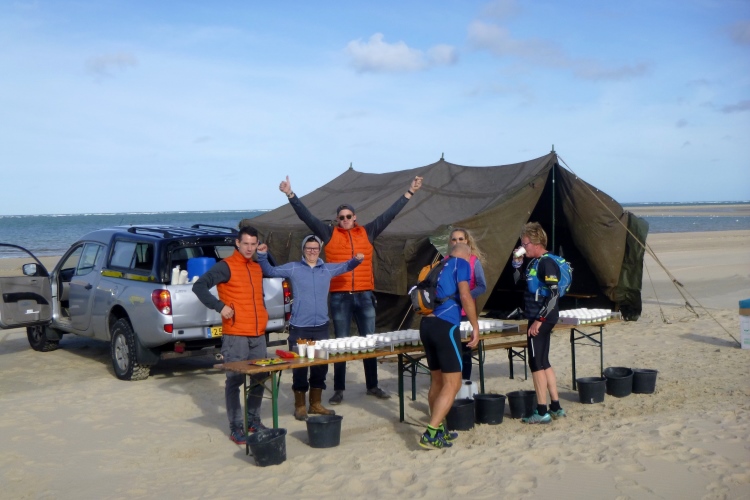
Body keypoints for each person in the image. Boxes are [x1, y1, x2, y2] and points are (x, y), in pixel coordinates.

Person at [279, 174, 423, 405]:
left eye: (348, 216)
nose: (345, 219)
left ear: (355, 217)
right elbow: (307, 217)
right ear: (337, 220)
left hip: (365, 295)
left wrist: (410, 192)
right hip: (340, 297)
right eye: (341, 217)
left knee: (369, 342)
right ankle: (339, 389)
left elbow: (389, 214)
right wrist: (290, 194)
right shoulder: (329, 234)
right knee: (340, 344)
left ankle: (372, 385)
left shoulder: (368, 232)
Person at [256, 235, 364, 420]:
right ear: (303, 249)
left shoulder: (327, 269)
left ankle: (315, 404)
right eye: (308, 248)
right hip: (299, 327)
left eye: (315, 248)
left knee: (320, 367)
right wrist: (262, 255)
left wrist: (357, 260)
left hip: (321, 327)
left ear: (319, 250)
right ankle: (300, 406)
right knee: (299, 367)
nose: (312, 251)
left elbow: (346, 266)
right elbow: (270, 271)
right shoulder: (293, 268)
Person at [192, 225, 270, 445]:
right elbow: (199, 287)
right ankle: (236, 427)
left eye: (253, 244)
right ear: (237, 243)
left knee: (260, 377)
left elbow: (259, 295)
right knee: (235, 380)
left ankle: (253, 421)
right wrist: (220, 306)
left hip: (257, 333)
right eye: (245, 244)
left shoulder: (256, 267)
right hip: (236, 334)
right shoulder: (226, 266)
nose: (249, 248)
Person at [418, 243, 479, 449]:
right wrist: (475, 326)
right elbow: (465, 295)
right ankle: (430, 433)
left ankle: (439, 428)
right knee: (453, 383)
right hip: (446, 326)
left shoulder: (436, 265)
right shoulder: (461, 264)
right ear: (466, 255)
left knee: (437, 381)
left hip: (426, 325)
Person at [512, 222, 566, 424]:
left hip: (542, 317)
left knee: (535, 364)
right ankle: (556, 407)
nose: (522, 247)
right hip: (540, 317)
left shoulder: (546, 263)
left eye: (525, 244)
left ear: (536, 243)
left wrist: (539, 320)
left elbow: (553, 294)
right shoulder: (534, 262)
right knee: (543, 361)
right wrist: (516, 264)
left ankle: (541, 410)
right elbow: (519, 283)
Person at [446, 228, 487, 381]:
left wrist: (466, 297)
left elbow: (482, 286)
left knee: (465, 351)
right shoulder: (445, 260)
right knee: (450, 350)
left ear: (467, 241)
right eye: (454, 239)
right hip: (448, 312)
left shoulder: (473, 261)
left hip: (465, 313)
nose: (457, 242)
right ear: (450, 242)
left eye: (460, 239)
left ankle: (465, 383)